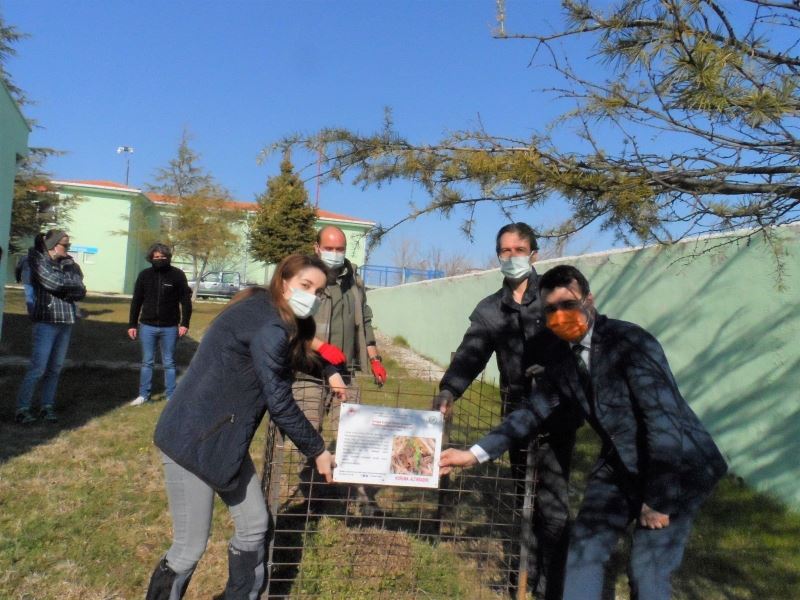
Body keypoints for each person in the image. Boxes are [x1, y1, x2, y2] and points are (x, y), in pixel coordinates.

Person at [441, 264, 728, 600]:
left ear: (589, 301)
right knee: (584, 552)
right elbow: (529, 414)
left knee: (647, 570)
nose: (560, 315)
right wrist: (473, 454)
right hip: (620, 459)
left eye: (568, 304)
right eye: (551, 310)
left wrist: (659, 499)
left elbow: (662, 421)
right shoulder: (561, 359)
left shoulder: (630, 343)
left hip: (677, 463)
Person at [144, 254, 343, 600]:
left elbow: (289, 355)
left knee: (254, 526)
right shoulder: (269, 325)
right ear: (284, 281)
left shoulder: (264, 308)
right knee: (189, 547)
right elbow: (280, 401)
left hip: (224, 437)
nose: (311, 295)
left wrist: (327, 368)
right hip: (193, 441)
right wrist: (318, 450)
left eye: (318, 290)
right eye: (305, 285)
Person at [432, 222, 574, 600]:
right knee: (523, 499)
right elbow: (471, 354)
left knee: (554, 505)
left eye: (519, 250)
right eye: (504, 251)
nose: (511, 257)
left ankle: (550, 586)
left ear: (534, 254)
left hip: (558, 412)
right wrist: (449, 390)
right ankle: (522, 574)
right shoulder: (490, 309)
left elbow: (578, 343)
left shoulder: (555, 298)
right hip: (516, 412)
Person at [294, 225, 386, 432]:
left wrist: (375, 360)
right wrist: (321, 348)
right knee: (303, 440)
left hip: (346, 372)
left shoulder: (354, 282)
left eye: (339, 249)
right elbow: (291, 325)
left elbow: (365, 323)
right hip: (308, 371)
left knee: (349, 437)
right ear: (317, 248)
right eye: (329, 248)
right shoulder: (306, 280)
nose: (334, 254)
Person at [15, 229, 86, 424]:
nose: (69, 249)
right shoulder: (37, 262)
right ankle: (23, 408)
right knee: (38, 367)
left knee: (55, 368)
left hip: (66, 321)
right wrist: (69, 286)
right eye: (66, 245)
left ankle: (47, 406)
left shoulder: (71, 264)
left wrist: (68, 287)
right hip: (46, 321)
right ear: (53, 245)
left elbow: (81, 290)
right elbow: (52, 282)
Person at [128, 243, 193, 405]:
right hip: (147, 326)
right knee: (147, 362)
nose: (160, 259)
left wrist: (184, 323)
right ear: (151, 258)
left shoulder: (177, 275)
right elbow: (136, 301)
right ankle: (144, 395)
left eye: (163, 257)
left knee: (169, 362)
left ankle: (171, 395)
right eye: (156, 257)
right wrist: (132, 324)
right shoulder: (144, 275)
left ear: (168, 258)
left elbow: (185, 301)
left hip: (170, 327)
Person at [14, 233, 46, 317]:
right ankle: (34, 313)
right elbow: (18, 268)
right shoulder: (42, 257)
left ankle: (32, 313)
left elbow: (18, 268)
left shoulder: (25, 257)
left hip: (29, 279)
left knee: (30, 296)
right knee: (34, 296)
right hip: (36, 279)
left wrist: (18, 278)